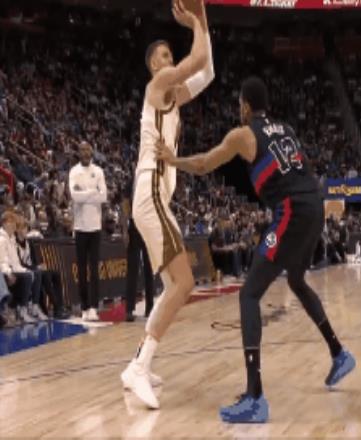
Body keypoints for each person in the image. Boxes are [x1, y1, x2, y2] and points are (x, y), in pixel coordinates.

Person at [157, 76, 356, 423]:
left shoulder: (243, 134)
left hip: (292, 212)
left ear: (245, 106)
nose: (239, 109)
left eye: (239, 104)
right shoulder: (286, 130)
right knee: (296, 280)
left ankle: (255, 397)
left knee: (249, 294)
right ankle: (339, 353)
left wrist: (172, 160)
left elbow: (203, 164)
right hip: (314, 208)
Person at [120, 0, 214, 410]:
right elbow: (198, 59)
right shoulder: (157, 86)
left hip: (157, 197)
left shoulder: (173, 98)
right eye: (163, 55)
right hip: (151, 193)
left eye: (170, 54)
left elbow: (207, 72)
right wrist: (195, 22)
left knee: (171, 286)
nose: (169, 59)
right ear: (152, 67)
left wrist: (203, 20)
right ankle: (139, 367)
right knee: (184, 284)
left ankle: (138, 362)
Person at [69, 141, 107, 322]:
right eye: (82, 150)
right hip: (80, 227)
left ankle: (94, 307)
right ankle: (84, 307)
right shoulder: (74, 172)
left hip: (95, 227)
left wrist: (85, 193)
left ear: (92, 152)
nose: (85, 152)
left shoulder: (98, 171)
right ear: (78, 152)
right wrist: (93, 192)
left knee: (94, 270)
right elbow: (74, 197)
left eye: (87, 149)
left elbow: (104, 196)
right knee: (82, 270)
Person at [16, 219, 70, 320]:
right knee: (44, 275)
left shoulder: (29, 242)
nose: (25, 230)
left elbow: (34, 259)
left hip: (33, 268)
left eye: (26, 228)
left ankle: (60, 306)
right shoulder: (15, 244)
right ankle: (56, 308)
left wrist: (39, 265)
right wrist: (35, 267)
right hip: (24, 270)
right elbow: (18, 263)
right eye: (23, 228)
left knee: (56, 274)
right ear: (17, 230)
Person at [121, 174, 154, 322]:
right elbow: (124, 206)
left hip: (149, 227)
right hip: (134, 227)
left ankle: (150, 308)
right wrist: (124, 230)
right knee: (132, 269)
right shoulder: (131, 182)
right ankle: (129, 309)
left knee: (149, 269)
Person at [0, 211, 36, 323]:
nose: (13, 225)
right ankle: (21, 309)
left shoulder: (12, 239)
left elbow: (16, 263)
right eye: (10, 222)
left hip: (14, 269)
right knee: (27, 277)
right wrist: (8, 272)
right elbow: (2, 261)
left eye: (14, 223)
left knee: (31, 274)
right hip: (5, 271)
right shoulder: (1, 239)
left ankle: (29, 307)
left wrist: (25, 270)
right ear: (4, 223)